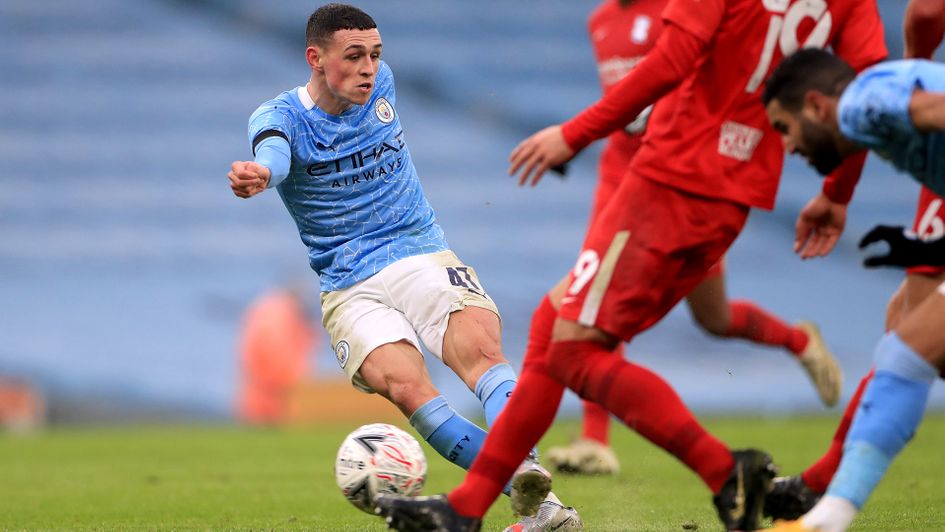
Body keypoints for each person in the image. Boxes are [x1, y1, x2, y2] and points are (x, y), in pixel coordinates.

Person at [374, 1, 886, 531]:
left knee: (574, 349)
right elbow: (870, 89)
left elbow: (672, 60)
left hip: (673, 177)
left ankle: (724, 472)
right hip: (731, 192)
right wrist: (838, 192)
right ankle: (467, 508)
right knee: (557, 326)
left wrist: (574, 133)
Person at [226, 4, 581, 530]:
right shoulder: (279, 117)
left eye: (375, 54)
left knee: (481, 352)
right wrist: (263, 172)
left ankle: (526, 476)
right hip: (348, 283)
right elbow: (275, 153)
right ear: (315, 59)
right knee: (408, 388)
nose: (369, 67)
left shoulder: (380, 86)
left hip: (416, 249)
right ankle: (542, 506)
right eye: (354, 56)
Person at [544, 0, 842, 477]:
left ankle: (796, 340)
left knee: (714, 317)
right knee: (590, 306)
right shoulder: (599, 21)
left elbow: (683, 74)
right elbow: (624, 99)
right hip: (623, 173)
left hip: (681, 176)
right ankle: (594, 440)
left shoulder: (677, 7)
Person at [762, 0, 945, 521]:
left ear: (817, 106)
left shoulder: (863, 105)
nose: (788, 146)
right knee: (909, 344)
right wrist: (929, 248)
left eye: (784, 127)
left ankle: (826, 514)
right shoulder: (871, 114)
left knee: (907, 351)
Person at [237, 281, 319, 425]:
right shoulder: (281, 314)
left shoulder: (266, 308)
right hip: (273, 390)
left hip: (257, 385)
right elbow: (277, 352)